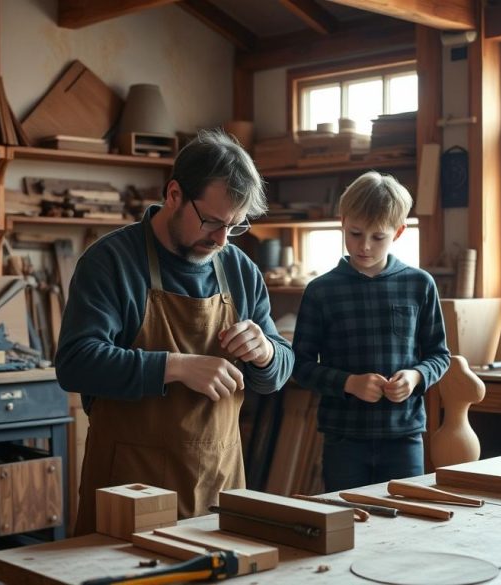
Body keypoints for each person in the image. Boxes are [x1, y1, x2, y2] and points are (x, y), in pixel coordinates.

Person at [55, 129, 294, 534]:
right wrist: (175, 366)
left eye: (234, 227)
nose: (221, 239)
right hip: (127, 492)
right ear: (174, 195)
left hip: (217, 488)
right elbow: (75, 363)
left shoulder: (239, 269)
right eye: (211, 222)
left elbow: (280, 371)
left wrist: (267, 353)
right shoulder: (111, 262)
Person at [291, 171, 450, 492]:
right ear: (342, 222)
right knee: (348, 524)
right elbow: (300, 366)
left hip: (404, 436)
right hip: (343, 437)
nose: (364, 246)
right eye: (354, 233)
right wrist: (349, 383)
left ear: (399, 232)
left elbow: (439, 356)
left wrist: (416, 376)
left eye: (378, 237)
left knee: (406, 521)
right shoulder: (322, 291)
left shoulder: (419, 285)